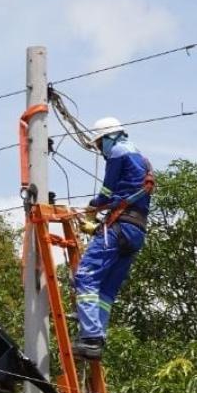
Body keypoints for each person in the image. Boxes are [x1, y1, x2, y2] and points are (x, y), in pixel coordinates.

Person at [73, 117, 153, 360]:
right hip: (135, 230)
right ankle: (97, 337)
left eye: (99, 144)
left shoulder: (118, 152)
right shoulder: (141, 158)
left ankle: (91, 336)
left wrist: (92, 207)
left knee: (85, 276)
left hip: (120, 227)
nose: (100, 149)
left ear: (108, 137)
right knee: (106, 289)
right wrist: (95, 225)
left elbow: (107, 193)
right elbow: (126, 196)